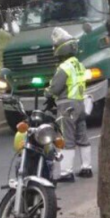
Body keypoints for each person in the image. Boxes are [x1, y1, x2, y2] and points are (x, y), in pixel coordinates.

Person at [46, 28, 92, 183]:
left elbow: (55, 88)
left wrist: (47, 93)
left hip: (66, 105)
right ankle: (86, 168)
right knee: (82, 136)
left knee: (67, 139)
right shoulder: (79, 65)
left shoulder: (64, 67)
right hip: (80, 103)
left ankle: (67, 173)